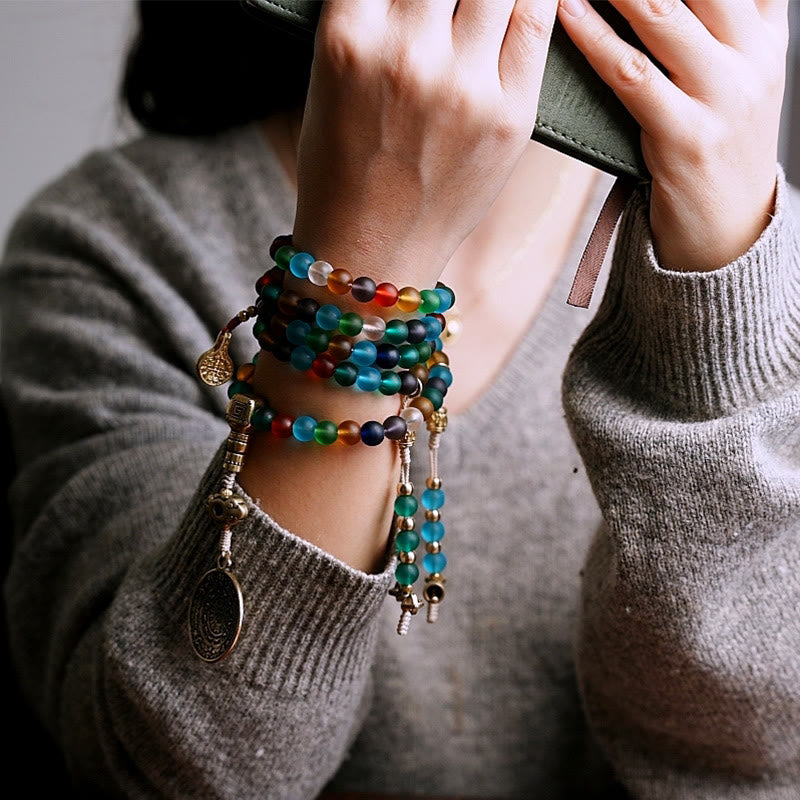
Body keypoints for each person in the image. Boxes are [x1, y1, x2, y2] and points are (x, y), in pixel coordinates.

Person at [2, 0, 798, 797]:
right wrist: (362, 268)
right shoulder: (118, 246)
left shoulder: (767, 258)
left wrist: (723, 286)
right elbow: (176, 774)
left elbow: (754, 766)